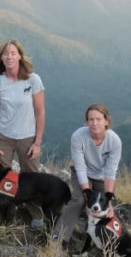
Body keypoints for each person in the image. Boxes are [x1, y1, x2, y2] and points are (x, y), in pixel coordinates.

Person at [0, 38, 46, 227]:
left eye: (13, 53)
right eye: (6, 53)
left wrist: (37, 142)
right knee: (0, 177)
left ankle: (36, 214)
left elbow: (40, 111)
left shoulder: (33, 79)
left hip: (27, 137)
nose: (9, 56)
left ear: (20, 55)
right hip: (4, 137)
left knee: (32, 176)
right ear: (1, 58)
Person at [52, 103, 122, 245]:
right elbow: (80, 167)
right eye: (91, 119)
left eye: (98, 119)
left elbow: (110, 171)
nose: (94, 123)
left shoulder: (114, 141)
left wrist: (108, 200)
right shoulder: (78, 136)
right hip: (82, 174)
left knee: (106, 207)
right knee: (79, 200)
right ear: (87, 121)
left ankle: (111, 242)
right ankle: (58, 237)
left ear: (106, 121)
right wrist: (86, 197)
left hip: (102, 177)